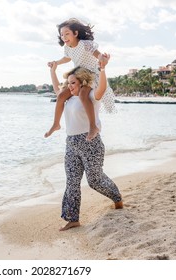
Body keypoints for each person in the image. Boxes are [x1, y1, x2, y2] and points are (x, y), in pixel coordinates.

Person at [48, 55, 123, 231]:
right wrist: (53, 70)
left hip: (91, 143)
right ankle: (72, 218)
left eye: (73, 83)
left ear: (82, 82)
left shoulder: (90, 96)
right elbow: (56, 88)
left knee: (94, 180)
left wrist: (103, 69)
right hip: (71, 144)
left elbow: (102, 88)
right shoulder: (68, 98)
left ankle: (117, 198)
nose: (69, 86)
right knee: (72, 182)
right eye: (68, 83)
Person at [44, 18, 116, 141]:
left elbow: (97, 54)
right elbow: (67, 58)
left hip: (91, 75)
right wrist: (56, 63)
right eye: (62, 34)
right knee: (61, 96)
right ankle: (56, 124)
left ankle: (93, 127)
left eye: (67, 34)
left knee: (83, 95)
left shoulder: (85, 44)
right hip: (78, 75)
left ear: (75, 33)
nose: (64, 37)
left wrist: (103, 59)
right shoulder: (67, 48)